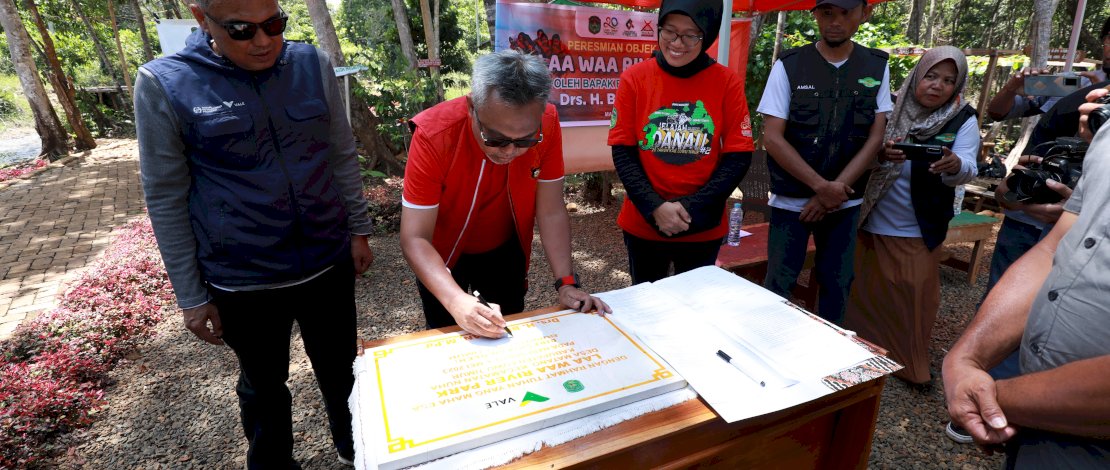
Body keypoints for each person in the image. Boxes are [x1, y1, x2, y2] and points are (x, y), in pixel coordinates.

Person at [135, 0, 372, 467]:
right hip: (243, 279)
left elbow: (340, 151)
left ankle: (357, 446)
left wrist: (359, 228)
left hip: (326, 262)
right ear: (201, 18)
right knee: (263, 385)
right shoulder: (165, 83)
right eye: (241, 30)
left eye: (274, 24)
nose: (263, 41)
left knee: (342, 367)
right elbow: (165, 196)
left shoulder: (311, 63)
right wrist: (190, 295)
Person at [944, 18, 1110, 444]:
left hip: (1079, 423)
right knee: (1007, 294)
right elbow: (999, 112)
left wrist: (996, 401)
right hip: (1028, 216)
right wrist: (967, 363)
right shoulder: (1076, 98)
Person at [400, 49, 610, 339]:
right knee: (447, 334)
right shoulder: (434, 134)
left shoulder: (548, 122)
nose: (510, 151)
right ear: (472, 107)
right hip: (441, 253)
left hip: (504, 247)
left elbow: (550, 209)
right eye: (496, 138)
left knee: (508, 329)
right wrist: (455, 299)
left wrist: (566, 283)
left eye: (525, 140)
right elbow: (415, 237)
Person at [844, 46, 980, 386]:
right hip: (869, 219)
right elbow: (856, 151)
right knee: (863, 289)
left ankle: (907, 363)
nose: (937, 85)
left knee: (913, 297)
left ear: (957, 86)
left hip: (918, 225)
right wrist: (880, 155)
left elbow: (969, 165)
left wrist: (954, 165)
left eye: (948, 81)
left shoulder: (962, 118)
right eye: (931, 76)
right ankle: (858, 351)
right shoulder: (889, 107)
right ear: (917, 75)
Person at [757, 0, 891, 323]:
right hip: (791, 203)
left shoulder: (876, 66)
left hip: (844, 204)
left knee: (838, 284)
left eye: (846, 13)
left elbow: (875, 137)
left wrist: (833, 192)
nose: (835, 22)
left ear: (864, 13)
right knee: (778, 285)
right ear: (815, 14)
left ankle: (830, 351)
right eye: (827, 13)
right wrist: (821, 187)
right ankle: (771, 344)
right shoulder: (789, 65)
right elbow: (772, 138)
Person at [608, 0, 754, 285]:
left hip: (702, 224)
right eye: (670, 31)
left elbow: (738, 156)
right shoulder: (634, 78)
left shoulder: (727, 82)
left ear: (707, 35)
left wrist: (691, 208)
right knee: (647, 302)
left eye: (690, 35)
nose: (677, 43)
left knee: (695, 305)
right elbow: (623, 152)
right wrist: (655, 208)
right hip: (644, 223)